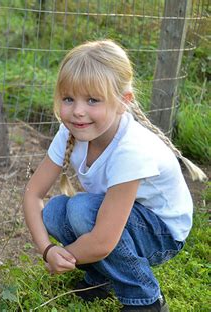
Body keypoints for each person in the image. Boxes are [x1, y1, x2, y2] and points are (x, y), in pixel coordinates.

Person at [22, 40, 207, 311]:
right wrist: (47, 250)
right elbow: (32, 194)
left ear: (123, 102)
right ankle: (102, 279)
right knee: (54, 212)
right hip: (123, 218)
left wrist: (65, 257)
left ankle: (146, 300)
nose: (78, 111)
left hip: (163, 233)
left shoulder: (130, 149)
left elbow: (103, 240)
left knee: (81, 210)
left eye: (93, 100)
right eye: (68, 98)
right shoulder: (70, 132)